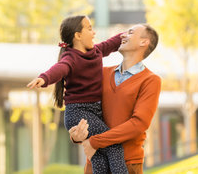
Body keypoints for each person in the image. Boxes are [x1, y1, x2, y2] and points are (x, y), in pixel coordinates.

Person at [27, 15, 128, 174]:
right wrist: (44, 78)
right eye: (89, 28)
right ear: (78, 35)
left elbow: (112, 43)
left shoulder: (96, 51)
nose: (94, 32)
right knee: (114, 146)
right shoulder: (70, 58)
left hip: (94, 112)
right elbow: (60, 68)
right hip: (79, 113)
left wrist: (129, 34)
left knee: (99, 158)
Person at [69, 24, 161, 174]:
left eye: (130, 32)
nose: (122, 36)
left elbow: (138, 124)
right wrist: (76, 135)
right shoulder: (101, 73)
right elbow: (86, 111)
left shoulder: (150, 81)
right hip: (96, 161)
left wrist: (95, 141)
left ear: (144, 42)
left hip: (127, 163)